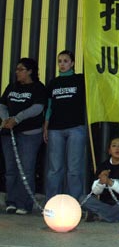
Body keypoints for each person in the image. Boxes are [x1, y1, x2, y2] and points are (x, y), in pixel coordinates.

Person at [0, 58, 47, 215]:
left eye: (21, 69)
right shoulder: (12, 86)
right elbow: (2, 104)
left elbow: (37, 108)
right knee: (11, 169)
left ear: (30, 71)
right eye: (17, 69)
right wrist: (6, 118)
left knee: (26, 169)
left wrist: (17, 118)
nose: (17, 72)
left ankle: (24, 204)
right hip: (9, 133)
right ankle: (11, 201)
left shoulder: (38, 87)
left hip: (29, 134)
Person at [44, 50, 86, 202]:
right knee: (54, 169)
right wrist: (46, 126)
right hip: (55, 128)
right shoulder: (53, 83)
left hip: (76, 127)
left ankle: (73, 203)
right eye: (60, 61)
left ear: (72, 63)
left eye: (65, 61)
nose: (62, 64)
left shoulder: (80, 79)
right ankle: (51, 202)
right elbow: (49, 106)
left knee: (74, 169)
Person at [80, 136, 119, 222]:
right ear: (109, 151)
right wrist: (101, 182)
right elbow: (95, 191)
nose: (117, 148)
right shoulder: (103, 165)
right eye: (114, 146)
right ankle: (114, 216)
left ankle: (100, 216)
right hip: (105, 203)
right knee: (83, 198)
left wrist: (109, 182)